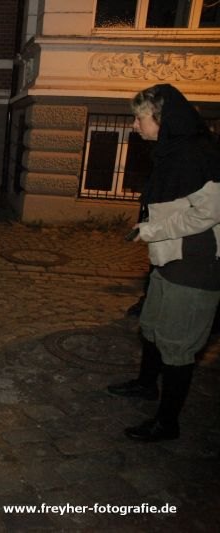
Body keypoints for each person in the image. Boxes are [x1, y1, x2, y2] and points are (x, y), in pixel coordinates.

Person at [107, 84, 220, 442]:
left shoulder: (198, 155)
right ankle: (145, 384)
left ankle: (167, 423)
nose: (134, 126)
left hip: (194, 267)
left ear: (161, 118)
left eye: (139, 118)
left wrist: (152, 230)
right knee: (153, 327)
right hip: (168, 260)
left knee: (177, 347)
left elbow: (209, 213)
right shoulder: (172, 151)